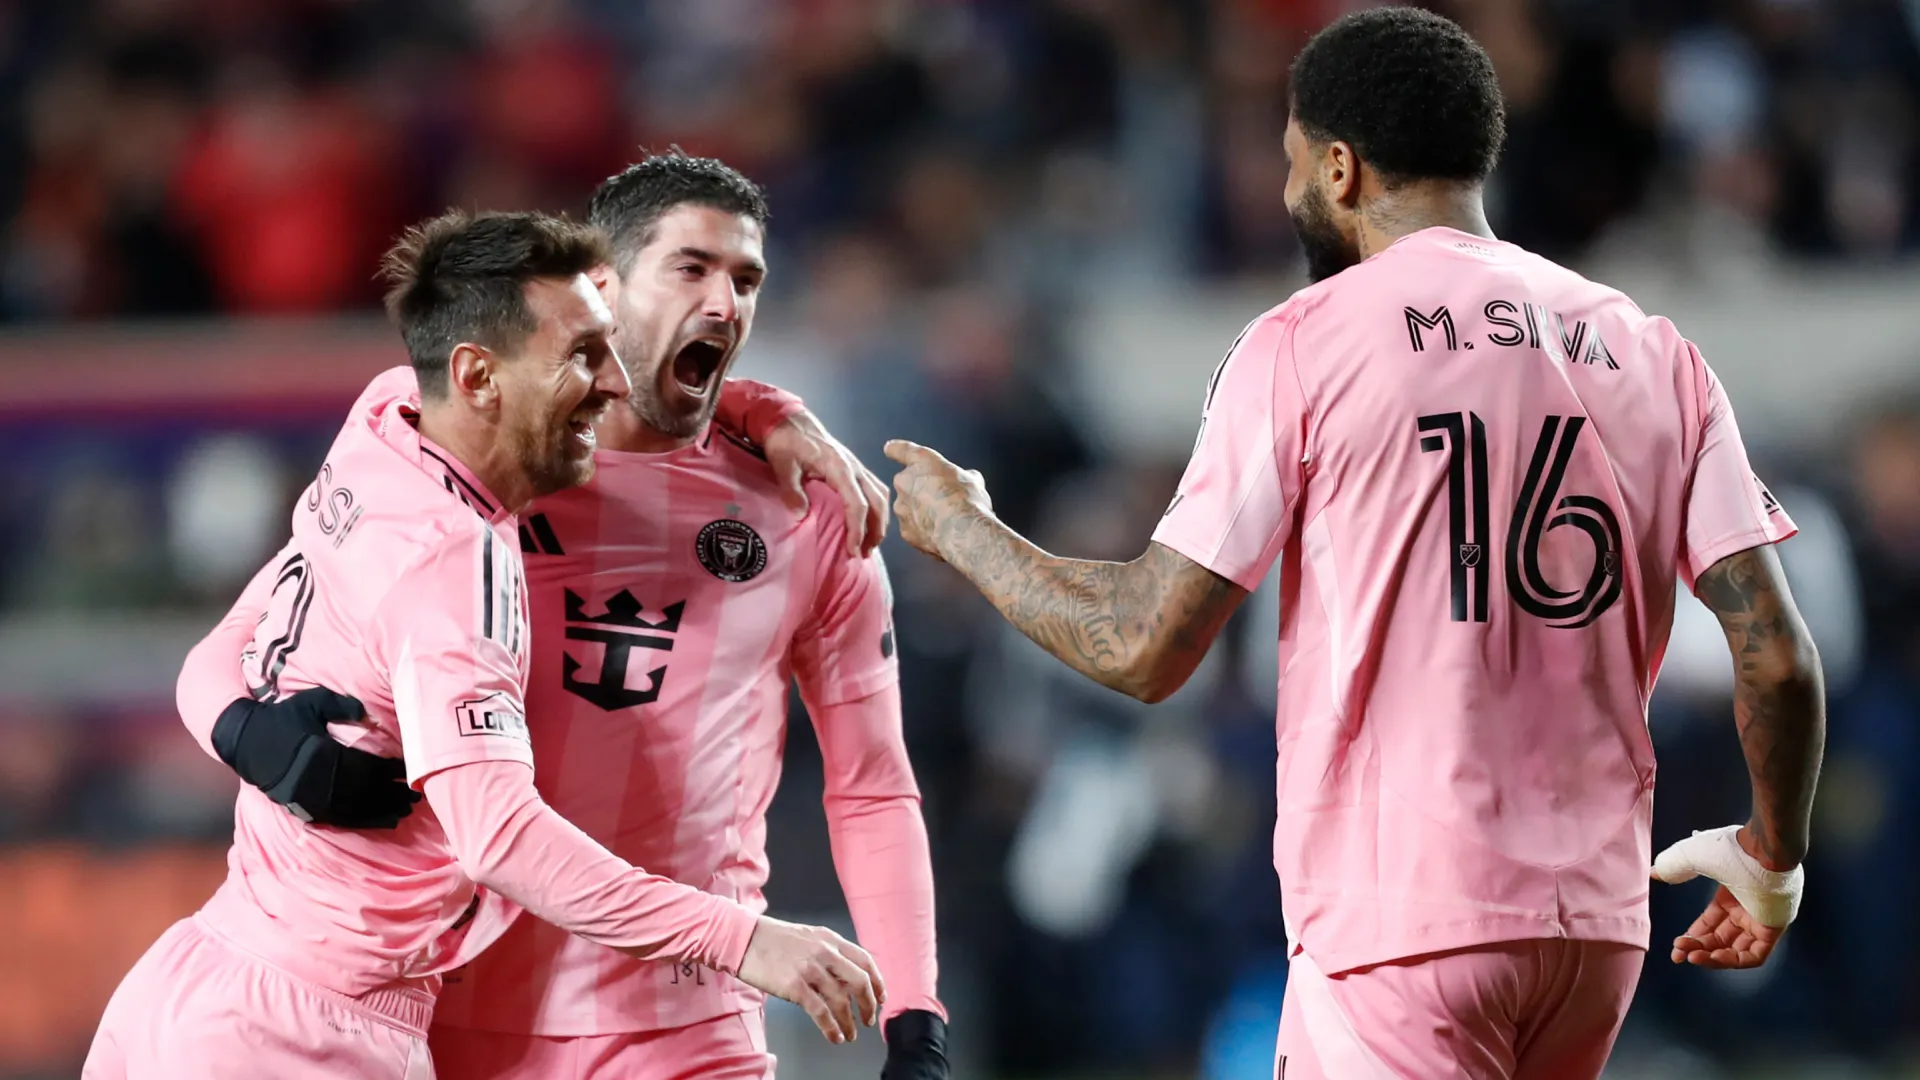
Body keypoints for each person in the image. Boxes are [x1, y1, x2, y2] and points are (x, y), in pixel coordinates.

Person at [884, 9, 1823, 1080]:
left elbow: (1143, 643)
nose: (1288, 195)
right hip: (1591, 936)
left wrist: (966, 534)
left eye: (1291, 164)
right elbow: (1780, 659)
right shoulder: (1651, 350)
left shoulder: (1305, 344)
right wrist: (1773, 863)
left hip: (1404, 925)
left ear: (1337, 167)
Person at [175, 154, 949, 1080]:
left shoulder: (812, 512)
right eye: (692, 268)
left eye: (746, 280)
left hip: (687, 1021)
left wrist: (916, 1019)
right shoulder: (450, 449)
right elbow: (257, 627)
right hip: (450, 1010)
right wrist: (246, 731)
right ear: (603, 292)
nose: (724, 303)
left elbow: (870, 786)